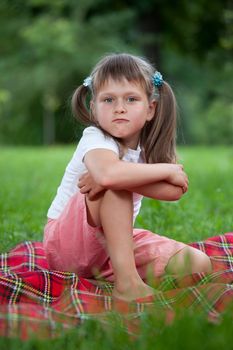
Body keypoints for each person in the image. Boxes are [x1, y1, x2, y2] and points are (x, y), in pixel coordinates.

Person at [43, 53, 212, 301]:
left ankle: (120, 274)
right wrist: (166, 170)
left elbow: (174, 191)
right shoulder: (95, 138)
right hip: (66, 246)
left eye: (131, 99)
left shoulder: (147, 148)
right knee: (114, 185)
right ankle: (128, 285)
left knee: (198, 264)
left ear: (150, 109)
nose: (119, 108)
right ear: (94, 108)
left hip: (111, 248)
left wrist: (124, 175)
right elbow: (110, 175)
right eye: (108, 99)